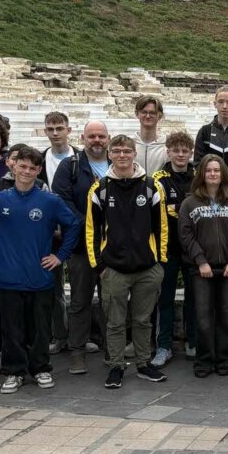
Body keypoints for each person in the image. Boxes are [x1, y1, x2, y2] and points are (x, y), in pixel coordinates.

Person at [0, 148, 80, 394]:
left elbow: (73, 226)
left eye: (32, 168)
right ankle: (14, 371)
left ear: (39, 171)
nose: (27, 172)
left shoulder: (49, 201)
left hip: (40, 277)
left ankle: (40, 368)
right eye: (23, 166)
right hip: (8, 278)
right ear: (13, 166)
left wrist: (60, 256)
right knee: (11, 329)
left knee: (41, 328)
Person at [85, 135, 169, 390]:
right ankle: (116, 366)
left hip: (147, 268)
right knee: (115, 322)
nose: (122, 156)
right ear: (110, 154)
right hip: (114, 269)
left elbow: (162, 226)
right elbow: (92, 230)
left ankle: (144, 364)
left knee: (143, 321)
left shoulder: (151, 186)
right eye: (117, 151)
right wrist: (99, 266)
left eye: (127, 151)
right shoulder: (99, 189)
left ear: (134, 154)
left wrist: (160, 262)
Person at [179, 155, 228, 378]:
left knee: (227, 317)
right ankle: (204, 360)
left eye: (217, 170)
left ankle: (225, 359)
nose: (213, 174)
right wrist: (201, 261)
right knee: (203, 319)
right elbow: (185, 235)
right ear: (202, 174)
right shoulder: (190, 203)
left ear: (223, 173)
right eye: (209, 170)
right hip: (201, 270)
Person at [52, 120, 110, 374]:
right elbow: (61, 200)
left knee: (112, 300)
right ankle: (77, 352)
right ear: (83, 138)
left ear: (108, 138)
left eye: (101, 136)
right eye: (92, 136)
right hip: (80, 245)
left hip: (112, 246)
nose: (96, 140)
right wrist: (89, 225)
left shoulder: (117, 164)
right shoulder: (70, 166)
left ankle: (113, 351)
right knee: (80, 300)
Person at [151, 132, 197, 367]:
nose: (180, 154)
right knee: (165, 299)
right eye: (176, 150)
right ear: (168, 151)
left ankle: (193, 341)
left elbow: (199, 207)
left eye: (185, 150)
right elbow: (162, 210)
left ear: (190, 153)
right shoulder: (158, 178)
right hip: (166, 248)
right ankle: (163, 346)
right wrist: (185, 208)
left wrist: (179, 208)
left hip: (192, 248)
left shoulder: (197, 177)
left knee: (194, 298)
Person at [41, 111, 78, 353]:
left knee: (79, 286)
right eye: (51, 129)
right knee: (53, 287)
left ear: (68, 130)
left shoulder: (80, 158)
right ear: (45, 131)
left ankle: (78, 337)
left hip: (75, 226)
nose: (55, 133)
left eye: (59, 128)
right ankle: (59, 335)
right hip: (48, 231)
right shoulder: (39, 158)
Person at [132, 94, 169, 175]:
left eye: (152, 113)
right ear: (137, 114)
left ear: (160, 116)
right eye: (144, 112)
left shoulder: (167, 146)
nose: (148, 116)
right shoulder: (129, 144)